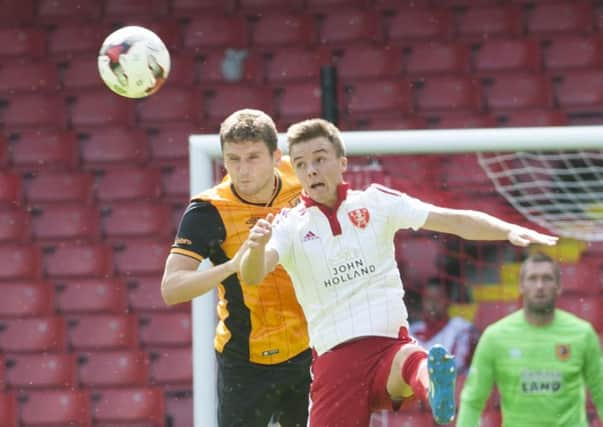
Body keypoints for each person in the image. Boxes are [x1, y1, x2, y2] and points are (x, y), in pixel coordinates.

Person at [239, 118, 558, 426]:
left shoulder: (377, 202)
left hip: (387, 347)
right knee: (409, 360)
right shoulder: (289, 225)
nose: (311, 170)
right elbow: (253, 274)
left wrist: (507, 230)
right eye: (301, 164)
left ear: (342, 163)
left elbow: (453, 220)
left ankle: (433, 387)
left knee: (411, 359)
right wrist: (255, 248)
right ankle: (428, 381)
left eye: (320, 159)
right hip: (336, 365)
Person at [160, 109, 311, 427]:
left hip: (309, 349)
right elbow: (172, 288)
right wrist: (231, 266)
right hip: (245, 360)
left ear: (276, 156)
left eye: (253, 157)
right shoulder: (208, 210)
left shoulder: (302, 180)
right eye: (233, 159)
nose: (243, 171)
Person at [457, 252, 603, 427]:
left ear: (558, 286)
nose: (540, 286)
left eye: (547, 278)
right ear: (521, 286)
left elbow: (600, 394)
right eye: (532, 278)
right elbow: (473, 400)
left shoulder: (582, 334)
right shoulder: (495, 337)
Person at [410, 278, 480, 375]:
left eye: (437, 299)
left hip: (454, 387)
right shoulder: (413, 330)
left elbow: (459, 365)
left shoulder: (461, 328)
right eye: (428, 299)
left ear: (448, 301)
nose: (432, 304)